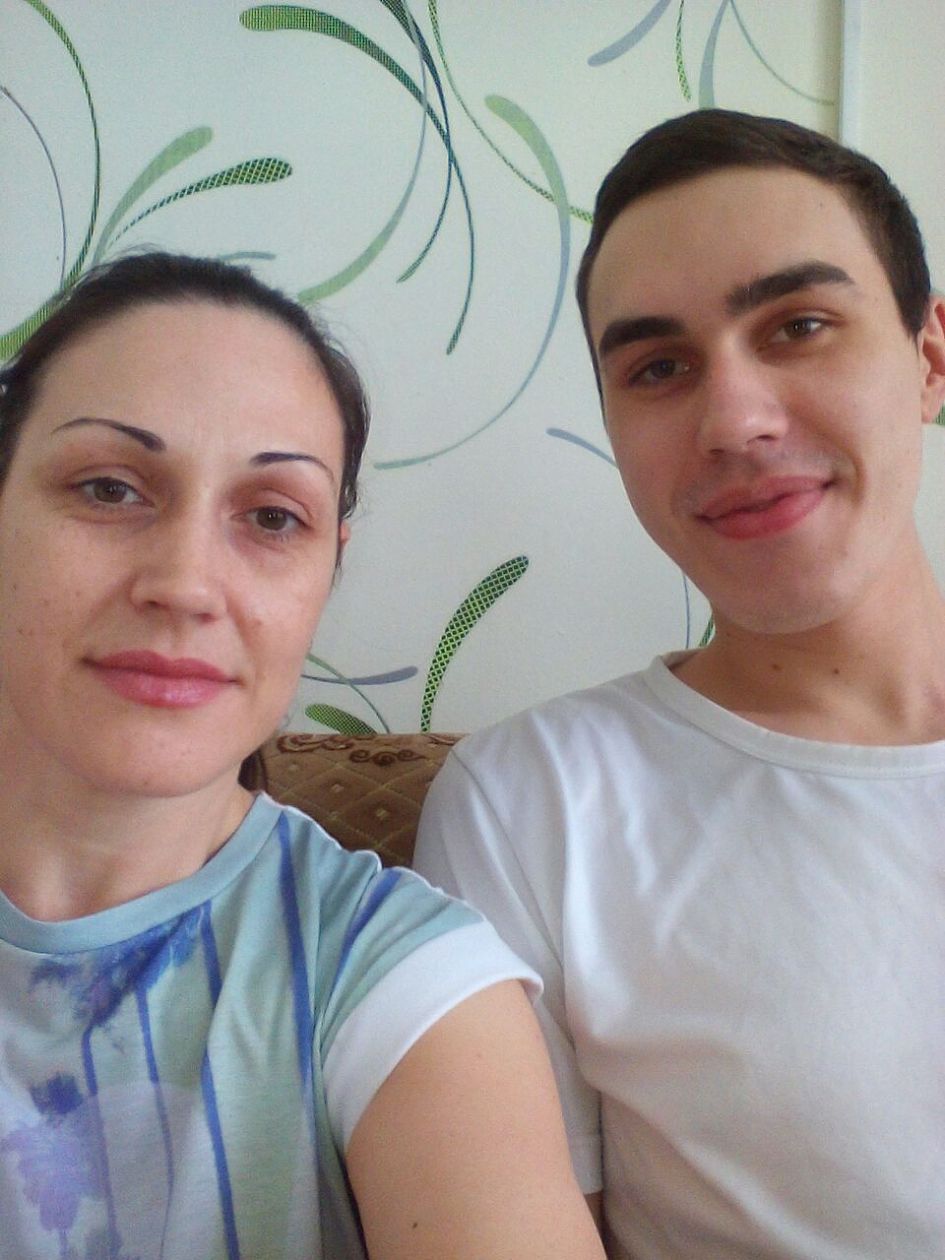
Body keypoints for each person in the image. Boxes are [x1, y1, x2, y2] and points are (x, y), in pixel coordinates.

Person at [414, 109, 945, 1259]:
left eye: (799, 326)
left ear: (929, 358)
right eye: (658, 368)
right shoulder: (534, 804)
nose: (735, 421)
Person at [0, 252, 605, 1260]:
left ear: (328, 572)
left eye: (273, 517)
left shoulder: (407, 986)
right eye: (109, 488)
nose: (186, 583)